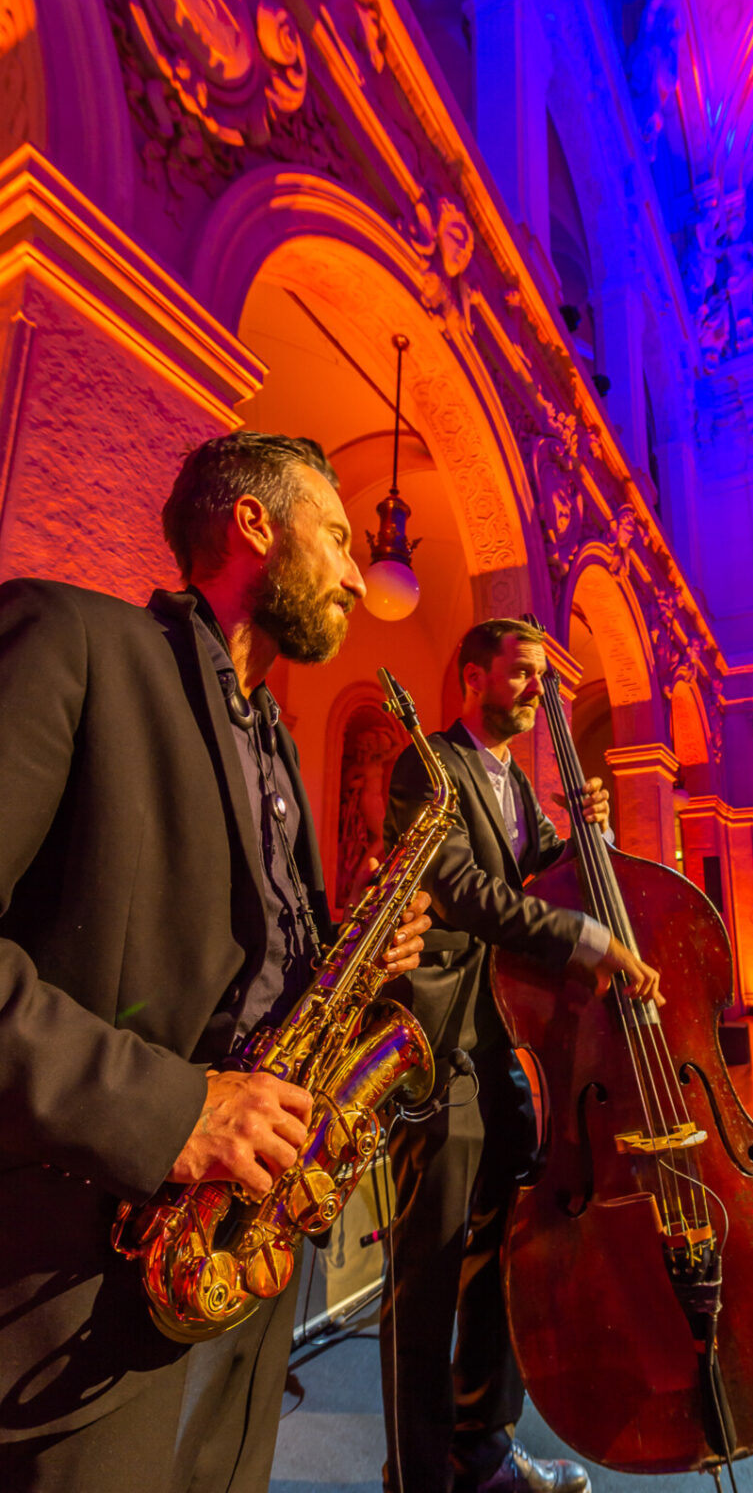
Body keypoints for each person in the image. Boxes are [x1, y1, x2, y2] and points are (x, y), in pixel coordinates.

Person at [0, 431, 431, 1493]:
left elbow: (239, 965)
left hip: (245, 1254)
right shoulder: (69, 638)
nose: (349, 574)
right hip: (81, 1282)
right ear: (254, 523)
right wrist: (172, 1109)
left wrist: (353, 964)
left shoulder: (277, 738)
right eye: (335, 536)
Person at [380, 617, 663, 1493]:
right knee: (426, 1270)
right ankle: (419, 1475)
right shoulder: (428, 764)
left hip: (504, 1041)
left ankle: (484, 1449)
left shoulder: (518, 788)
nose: (539, 693)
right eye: (524, 675)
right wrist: (584, 937)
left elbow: (552, 880)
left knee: (501, 1252)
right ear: (474, 677)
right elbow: (461, 890)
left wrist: (589, 837)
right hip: (439, 1039)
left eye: (543, 680)